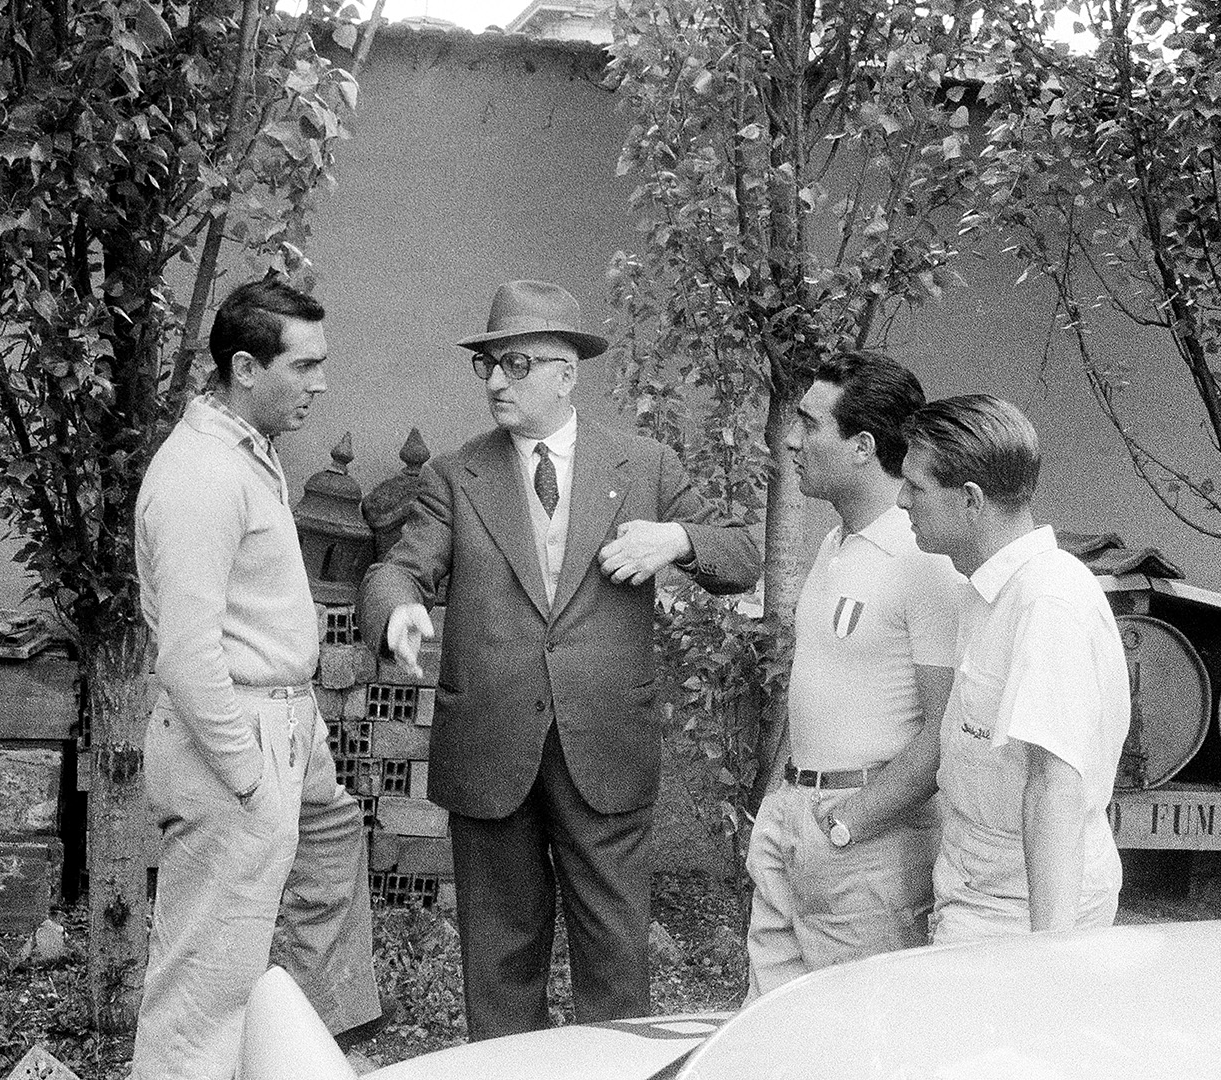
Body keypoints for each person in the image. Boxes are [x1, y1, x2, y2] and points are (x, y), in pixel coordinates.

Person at [358, 279, 761, 1040]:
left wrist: (676, 542)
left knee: (614, 961)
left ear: (567, 372)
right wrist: (399, 609)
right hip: (490, 749)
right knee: (499, 963)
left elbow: (740, 553)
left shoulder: (645, 464)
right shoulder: (455, 473)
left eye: (517, 365)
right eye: (489, 366)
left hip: (603, 749)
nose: (498, 383)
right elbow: (399, 566)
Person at [132, 278, 380, 1080]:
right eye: (304, 366)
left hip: (287, 728)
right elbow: (187, 654)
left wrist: (294, 747)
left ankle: (302, 1057)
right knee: (205, 983)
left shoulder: (247, 449)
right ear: (245, 366)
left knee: (334, 844)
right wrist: (247, 774)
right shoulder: (201, 474)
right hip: (231, 737)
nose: (319, 383)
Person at [744, 352, 968, 998]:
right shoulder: (833, 543)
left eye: (810, 425)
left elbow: (943, 726)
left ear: (863, 447)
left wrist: (848, 825)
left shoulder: (921, 555)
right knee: (767, 1042)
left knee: (857, 1044)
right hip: (794, 827)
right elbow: (813, 688)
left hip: (865, 847)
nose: (792, 439)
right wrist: (779, 807)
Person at [894, 394, 1130, 942]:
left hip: (1021, 910)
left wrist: (1048, 954)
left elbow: (1056, 784)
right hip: (977, 887)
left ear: (971, 500)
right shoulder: (987, 588)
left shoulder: (1047, 600)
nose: (901, 501)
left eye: (917, 487)